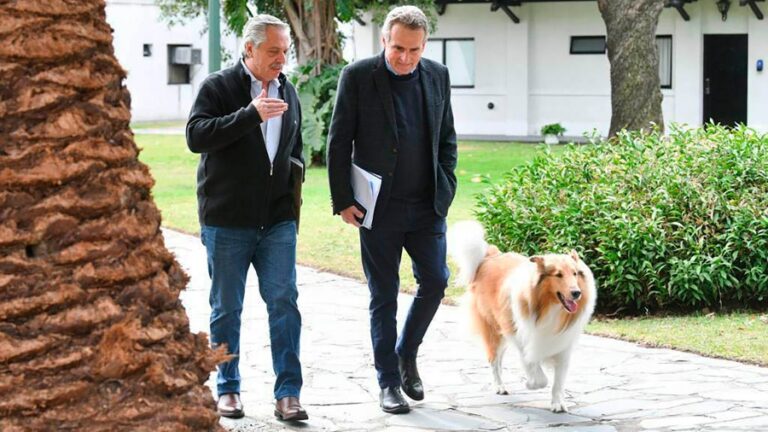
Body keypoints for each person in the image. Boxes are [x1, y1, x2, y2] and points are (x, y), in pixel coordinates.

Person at [327, 5, 457, 414]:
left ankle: (406, 352)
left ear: (424, 46)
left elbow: (447, 139)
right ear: (384, 40)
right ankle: (388, 383)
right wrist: (343, 200)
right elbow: (338, 140)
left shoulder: (438, 75)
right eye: (397, 47)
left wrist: (447, 186)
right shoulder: (358, 76)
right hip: (376, 209)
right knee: (383, 296)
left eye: (413, 50)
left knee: (435, 281)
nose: (405, 57)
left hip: (427, 207)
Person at [186, 14, 307, 422]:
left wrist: (291, 207)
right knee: (226, 308)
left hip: (277, 223)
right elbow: (196, 136)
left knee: (284, 304)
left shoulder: (288, 89)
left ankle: (288, 393)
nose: (281, 60)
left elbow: (295, 151)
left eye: (284, 52)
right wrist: (250, 114)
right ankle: (228, 389)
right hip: (227, 221)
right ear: (250, 49)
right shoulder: (218, 87)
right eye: (274, 51)